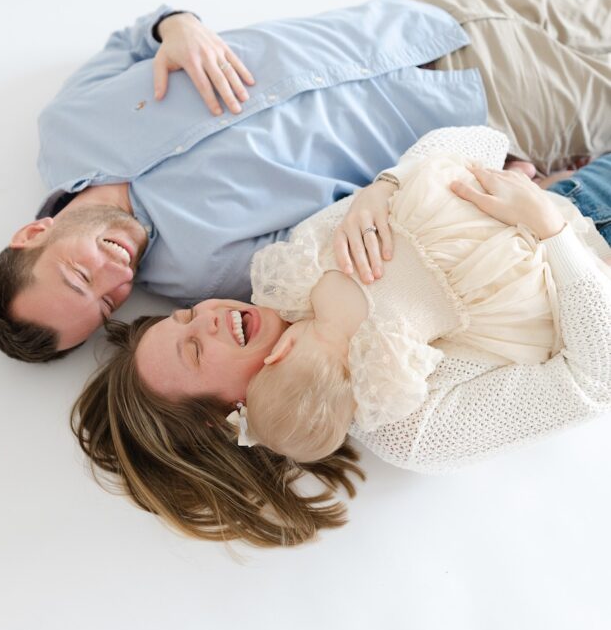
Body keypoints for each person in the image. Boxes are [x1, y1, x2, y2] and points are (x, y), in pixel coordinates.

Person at [0, 0, 611, 362]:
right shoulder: (205, 271)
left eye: (80, 274)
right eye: (108, 301)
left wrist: (179, 26)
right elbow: (358, 232)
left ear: (32, 236)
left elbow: (133, 37)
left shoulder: (64, 124)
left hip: (418, 16)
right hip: (489, 99)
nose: (117, 276)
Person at [70, 127, 611, 548]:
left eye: (184, 316)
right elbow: (597, 376)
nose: (208, 315)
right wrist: (550, 231)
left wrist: (386, 184)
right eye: (194, 349)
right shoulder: (409, 425)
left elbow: (482, 141)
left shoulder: (298, 265)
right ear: (226, 415)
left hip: (584, 188)